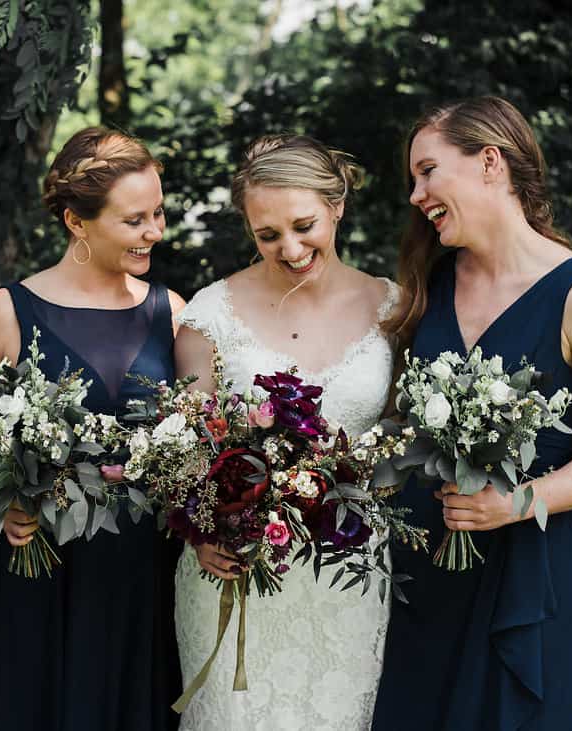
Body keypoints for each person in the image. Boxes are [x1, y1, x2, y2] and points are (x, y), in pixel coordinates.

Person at [372, 96, 572, 730]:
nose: (416, 194)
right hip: (426, 575)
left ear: (489, 162)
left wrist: (518, 501)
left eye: (428, 171)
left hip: (527, 582)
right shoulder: (430, 285)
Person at [0, 127, 185, 731]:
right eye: (134, 219)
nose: (155, 232)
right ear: (77, 222)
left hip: (141, 574)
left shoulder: (173, 313)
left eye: (159, 212)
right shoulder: (5, 312)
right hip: (37, 567)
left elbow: (198, 443)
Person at [173, 134, 398, 729]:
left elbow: (406, 439)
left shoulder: (394, 309)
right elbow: (189, 448)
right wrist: (202, 533)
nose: (290, 249)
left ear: (338, 205)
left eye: (304, 226)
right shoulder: (210, 314)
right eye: (267, 235)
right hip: (236, 567)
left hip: (347, 570)